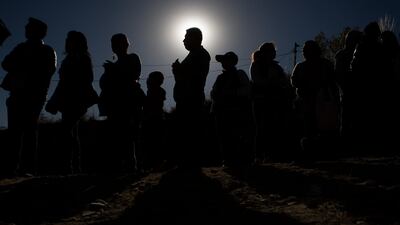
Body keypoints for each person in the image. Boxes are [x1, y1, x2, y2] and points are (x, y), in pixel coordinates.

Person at [1, 17, 57, 176]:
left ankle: (27, 168)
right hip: (18, 93)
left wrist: (24, 64)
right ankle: (11, 168)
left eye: (29, 28)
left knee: (29, 130)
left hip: (34, 95)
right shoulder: (21, 47)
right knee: (14, 131)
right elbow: (5, 64)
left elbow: (46, 72)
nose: (25, 30)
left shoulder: (47, 51)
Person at [45, 31, 98, 174]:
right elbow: (63, 83)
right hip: (69, 100)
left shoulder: (82, 58)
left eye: (70, 40)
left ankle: (70, 166)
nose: (67, 42)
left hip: (76, 99)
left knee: (67, 131)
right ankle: (72, 166)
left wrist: (57, 100)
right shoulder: (69, 59)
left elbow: (86, 79)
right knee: (69, 131)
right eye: (67, 39)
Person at [98, 33, 144, 172]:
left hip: (128, 102)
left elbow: (134, 75)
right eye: (113, 43)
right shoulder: (115, 64)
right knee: (117, 136)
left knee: (129, 134)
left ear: (126, 44)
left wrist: (113, 71)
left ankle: (132, 166)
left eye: (118, 42)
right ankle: (119, 165)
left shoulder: (132, 58)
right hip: (114, 104)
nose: (115, 46)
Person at [171, 27, 210, 167]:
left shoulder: (201, 54)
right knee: (185, 131)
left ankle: (192, 162)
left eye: (186, 37)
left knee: (191, 131)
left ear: (196, 38)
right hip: (185, 99)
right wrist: (177, 71)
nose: (183, 40)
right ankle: (186, 161)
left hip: (191, 99)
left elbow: (194, 77)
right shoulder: (194, 54)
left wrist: (178, 70)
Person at [291, 40, 340, 151]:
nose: (303, 52)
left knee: (325, 126)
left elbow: (332, 81)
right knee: (309, 126)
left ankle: (326, 149)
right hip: (307, 101)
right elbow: (294, 81)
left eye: (306, 50)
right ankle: (311, 150)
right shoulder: (300, 66)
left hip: (324, 101)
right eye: (304, 50)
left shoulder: (326, 64)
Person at [250, 42, 294, 162]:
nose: (274, 53)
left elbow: (284, 82)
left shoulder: (277, 67)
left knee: (276, 127)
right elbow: (258, 81)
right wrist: (274, 83)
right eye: (272, 51)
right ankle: (259, 156)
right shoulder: (256, 65)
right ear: (265, 52)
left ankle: (274, 155)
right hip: (261, 101)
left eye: (274, 51)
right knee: (262, 128)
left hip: (276, 101)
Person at [211, 51, 253, 168]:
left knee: (237, 134)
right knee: (224, 136)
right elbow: (213, 92)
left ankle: (242, 160)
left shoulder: (239, 74)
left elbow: (247, 89)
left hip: (236, 110)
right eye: (223, 61)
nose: (223, 63)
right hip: (221, 111)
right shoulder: (220, 77)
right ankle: (228, 160)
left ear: (233, 61)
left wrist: (230, 93)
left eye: (226, 60)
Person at [334, 30, 362, 138]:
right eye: (350, 38)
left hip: (359, 91)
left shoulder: (361, 53)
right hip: (347, 92)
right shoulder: (341, 54)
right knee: (346, 119)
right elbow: (338, 75)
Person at [142, 71, 166, 170]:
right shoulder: (157, 91)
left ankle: (154, 164)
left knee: (153, 142)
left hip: (153, 119)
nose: (147, 80)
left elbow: (152, 106)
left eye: (149, 78)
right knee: (154, 142)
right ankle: (154, 163)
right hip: (155, 119)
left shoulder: (156, 91)